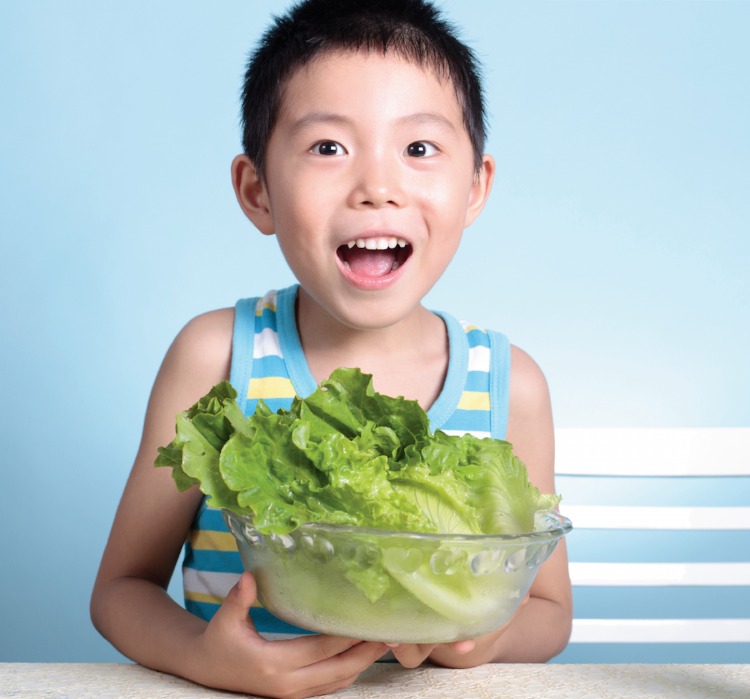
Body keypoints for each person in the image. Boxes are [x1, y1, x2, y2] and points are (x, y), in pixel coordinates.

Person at [90, 1, 572, 697]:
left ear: (475, 187)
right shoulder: (216, 357)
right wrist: (203, 657)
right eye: (328, 148)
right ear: (257, 192)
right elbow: (120, 589)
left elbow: (551, 613)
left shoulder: (509, 383)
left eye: (418, 148)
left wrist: (483, 635)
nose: (377, 188)